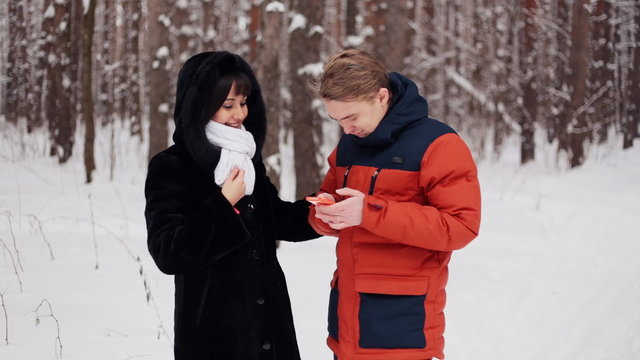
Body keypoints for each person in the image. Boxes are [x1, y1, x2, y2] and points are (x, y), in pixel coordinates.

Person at [307, 49, 481, 360]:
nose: (346, 129)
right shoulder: (350, 144)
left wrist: (370, 212)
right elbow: (330, 207)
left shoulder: (438, 143)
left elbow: (460, 226)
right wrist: (324, 212)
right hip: (347, 321)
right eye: (337, 120)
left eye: (351, 116)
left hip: (402, 325)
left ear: (381, 97)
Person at [144, 51, 319, 360]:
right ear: (200, 107)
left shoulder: (247, 158)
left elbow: (274, 218)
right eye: (227, 106)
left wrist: (318, 215)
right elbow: (168, 252)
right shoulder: (172, 166)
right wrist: (223, 205)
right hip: (213, 335)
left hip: (269, 329)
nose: (239, 114)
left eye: (243, 102)